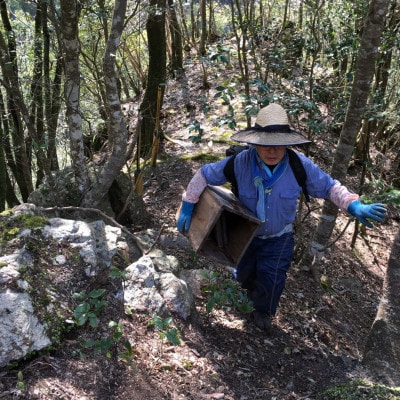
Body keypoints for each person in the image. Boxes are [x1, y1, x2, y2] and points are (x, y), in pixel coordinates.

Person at [176, 103, 386, 334]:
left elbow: (330, 187)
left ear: (287, 143)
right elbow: (204, 175)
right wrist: (188, 204)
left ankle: (262, 313)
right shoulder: (239, 163)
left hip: (279, 238)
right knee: (244, 273)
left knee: (272, 278)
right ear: (255, 142)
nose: (273, 151)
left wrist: (353, 205)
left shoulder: (299, 166)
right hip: (245, 235)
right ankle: (241, 302)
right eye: (266, 145)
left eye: (279, 145)